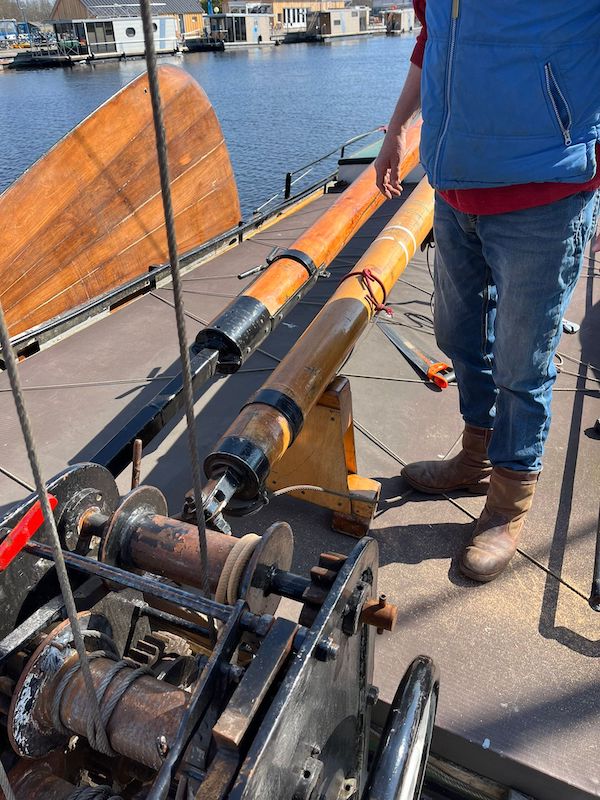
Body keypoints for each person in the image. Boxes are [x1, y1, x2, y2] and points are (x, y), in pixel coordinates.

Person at [374, 1, 600, 582]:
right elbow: (433, 38)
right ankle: (477, 454)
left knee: (523, 362)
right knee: (460, 334)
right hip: (454, 192)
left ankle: (508, 500)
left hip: (545, 194)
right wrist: (397, 130)